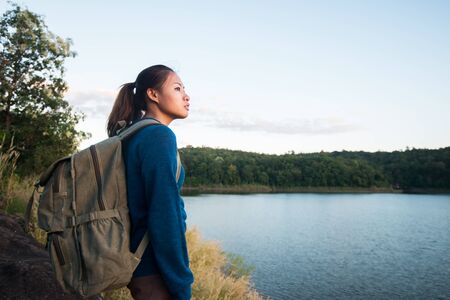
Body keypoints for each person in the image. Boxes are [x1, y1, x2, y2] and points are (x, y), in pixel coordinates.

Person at [106, 65, 194, 300]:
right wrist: (181, 282)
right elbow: (164, 213)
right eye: (177, 88)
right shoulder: (159, 136)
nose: (186, 96)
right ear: (153, 94)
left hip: (138, 263)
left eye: (184, 89)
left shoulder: (132, 134)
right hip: (155, 270)